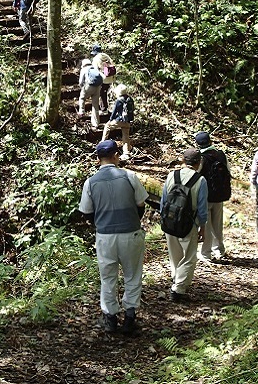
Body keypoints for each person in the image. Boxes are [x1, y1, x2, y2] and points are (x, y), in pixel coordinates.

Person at [78, 139, 149, 335]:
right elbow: (141, 203)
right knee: (132, 275)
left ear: (98, 158)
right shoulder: (129, 176)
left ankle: (110, 319)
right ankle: (130, 318)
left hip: (105, 236)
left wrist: (101, 224)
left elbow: (86, 212)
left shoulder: (90, 182)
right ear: (116, 155)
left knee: (108, 277)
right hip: (130, 233)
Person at [161, 149, 208, 302]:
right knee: (189, 256)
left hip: (169, 220)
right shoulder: (200, 181)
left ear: (183, 160)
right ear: (198, 163)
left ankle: (176, 277)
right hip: (189, 223)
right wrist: (203, 227)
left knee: (174, 254)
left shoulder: (171, 175)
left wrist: (164, 219)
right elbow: (202, 208)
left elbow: (163, 201)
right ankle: (178, 288)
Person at [194, 132, 230, 262]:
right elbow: (228, 172)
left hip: (206, 196)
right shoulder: (221, 154)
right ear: (210, 141)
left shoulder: (201, 158)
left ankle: (205, 254)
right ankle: (219, 250)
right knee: (217, 224)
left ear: (198, 144)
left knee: (206, 226)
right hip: (220, 194)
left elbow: (196, 175)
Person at [102, 84, 134, 160]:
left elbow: (114, 112)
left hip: (120, 120)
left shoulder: (119, 100)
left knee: (107, 127)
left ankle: (102, 143)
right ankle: (126, 153)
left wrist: (110, 120)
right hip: (128, 121)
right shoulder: (130, 99)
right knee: (126, 136)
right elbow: (132, 110)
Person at [91, 45, 115, 113]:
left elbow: (95, 70)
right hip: (109, 78)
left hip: (102, 79)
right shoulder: (107, 56)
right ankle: (104, 108)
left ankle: (103, 109)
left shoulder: (96, 59)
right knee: (104, 93)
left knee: (101, 94)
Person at [77, 59, 101, 128]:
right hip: (98, 87)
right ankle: (96, 123)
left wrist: (83, 88)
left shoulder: (84, 69)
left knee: (82, 98)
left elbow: (81, 82)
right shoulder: (95, 67)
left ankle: (81, 112)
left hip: (89, 87)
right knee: (95, 106)